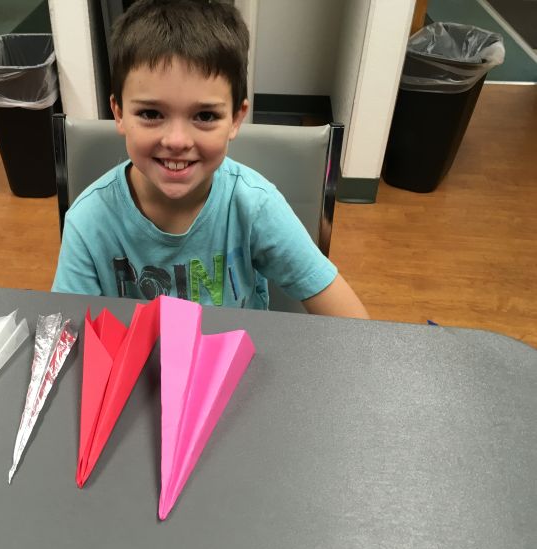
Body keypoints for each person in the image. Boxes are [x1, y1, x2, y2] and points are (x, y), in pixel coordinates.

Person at [52, 0, 368, 319]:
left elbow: (351, 321)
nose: (176, 141)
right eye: (151, 113)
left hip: (238, 364)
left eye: (204, 115)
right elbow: (68, 335)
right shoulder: (88, 222)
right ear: (118, 113)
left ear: (235, 119)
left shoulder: (254, 206)